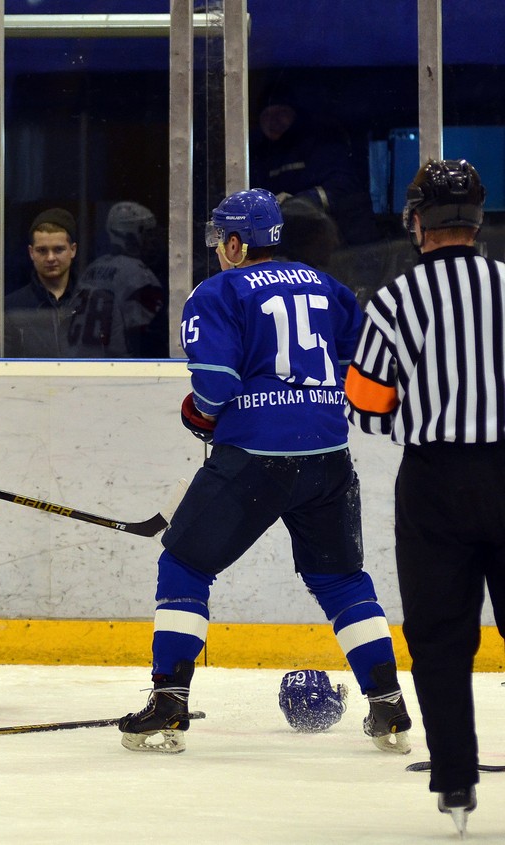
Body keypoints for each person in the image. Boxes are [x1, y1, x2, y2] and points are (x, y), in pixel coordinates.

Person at [116, 188, 412, 755]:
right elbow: (363, 372)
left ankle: (170, 702)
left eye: (220, 240)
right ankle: (388, 705)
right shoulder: (330, 288)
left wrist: (200, 414)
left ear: (235, 241)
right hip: (328, 458)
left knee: (184, 561)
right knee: (343, 580)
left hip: (253, 457)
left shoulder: (217, 291)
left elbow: (214, 387)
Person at [345, 159, 503, 837]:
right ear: (477, 219)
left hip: (435, 482)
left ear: (417, 222)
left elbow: (366, 405)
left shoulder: (395, 300)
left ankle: (456, 781)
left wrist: (411, 410)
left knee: (440, 638)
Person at [250, 83, 379, 247]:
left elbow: (344, 188)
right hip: (297, 249)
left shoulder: (320, 144)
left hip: (345, 245)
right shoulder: (260, 157)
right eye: (266, 115)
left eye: (281, 112)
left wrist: (296, 203)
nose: (273, 120)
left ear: (295, 114)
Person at [77, 201, 167, 358]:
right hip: (118, 365)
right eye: (147, 233)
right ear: (131, 235)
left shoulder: (93, 268)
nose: (152, 240)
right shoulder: (138, 275)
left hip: (79, 360)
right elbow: (146, 336)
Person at [4, 208, 80, 357]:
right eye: (42, 250)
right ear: (31, 253)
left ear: (73, 250)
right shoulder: (11, 308)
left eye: (58, 250)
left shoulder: (99, 303)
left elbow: (120, 364)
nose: (50, 258)